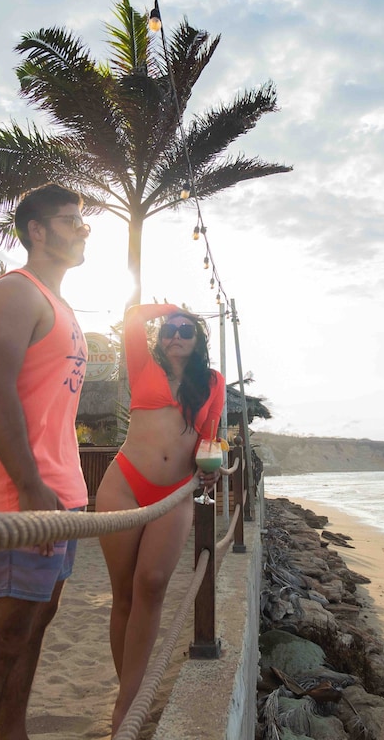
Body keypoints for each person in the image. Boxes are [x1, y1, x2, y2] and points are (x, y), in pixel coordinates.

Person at [0, 183, 90, 739]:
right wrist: (28, 483)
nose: (81, 229)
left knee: (32, 630)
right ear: (36, 230)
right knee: (0, 639)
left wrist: (59, 489)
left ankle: (13, 732)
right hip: (21, 497)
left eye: (84, 222)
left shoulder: (62, 305)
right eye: (70, 220)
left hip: (63, 496)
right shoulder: (14, 293)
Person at [95, 304, 225, 733]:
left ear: (198, 339)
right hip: (125, 483)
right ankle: (127, 699)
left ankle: (127, 703)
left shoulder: (211, 383)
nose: (177, 334)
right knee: (124, 595)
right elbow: (131, 315)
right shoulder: (142, 365)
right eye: (171, 328)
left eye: (186, 329)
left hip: (175, 493)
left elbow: (210, 437)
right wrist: (169, 307)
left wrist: (212, 470)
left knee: (150, 584)